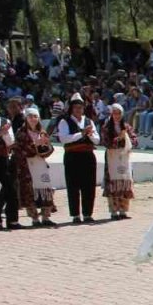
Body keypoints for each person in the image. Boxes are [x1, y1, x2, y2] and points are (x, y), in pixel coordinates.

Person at [57, 93, 100, 225]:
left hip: (87, 156)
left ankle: (87, 213)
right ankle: (75, 214)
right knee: (73, 185)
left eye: (80, 107)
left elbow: (97, 140)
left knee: (89, 185)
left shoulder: (88, 121)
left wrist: (90, 135)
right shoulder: (65, 121)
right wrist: (81, 134)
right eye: (75, 107)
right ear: (71, 108)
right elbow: (63, 138)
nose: (78, 110)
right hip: (72, 156)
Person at [12, 107, 56, 227]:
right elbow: (19, 150)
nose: (33, 119)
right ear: (26, 118)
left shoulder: (42, 132)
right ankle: (34, 218)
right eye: (30, 116)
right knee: (29, 191)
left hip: (40, 165)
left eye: (35, 116)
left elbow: (49, 150)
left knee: (45, 189)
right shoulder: (21, 133)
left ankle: (46, 217)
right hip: (27, 166)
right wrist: (34, 145)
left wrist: (46, 145)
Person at [101, 104, 137, 220]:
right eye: (114, 113)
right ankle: (113, 211)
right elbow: (105, 142)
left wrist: (127, 138)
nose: (116, 116)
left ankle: (123, 210)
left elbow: (134, 140)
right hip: (112, 157)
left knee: (125, 181)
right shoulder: (107, 127)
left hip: (124, 158)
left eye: (119, 113)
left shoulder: (126, 127)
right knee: (113, 183)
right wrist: (118, 140)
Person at [0, 89, 18, 231]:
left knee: (10, 188)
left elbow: (10, 141)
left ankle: (12, 219)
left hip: (3, 157)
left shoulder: (5, 121)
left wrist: (5, 134)